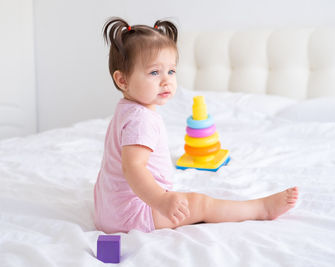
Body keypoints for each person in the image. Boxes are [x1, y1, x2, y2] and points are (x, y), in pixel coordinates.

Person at [94, 17, 299, 234]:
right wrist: (162, 200)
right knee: (201, 204)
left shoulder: (126, 109)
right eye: (154, 72)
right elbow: (133, 167)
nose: (166, 81)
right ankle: (260, 209)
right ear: (123, 80)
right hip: (131, 216)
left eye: (171, 71)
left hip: (109, 210)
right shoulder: (140, 119)